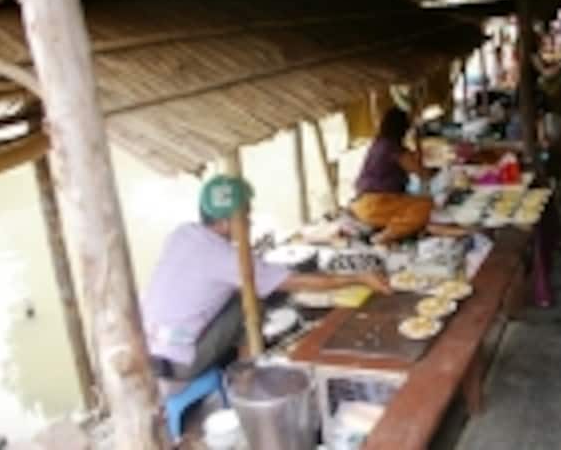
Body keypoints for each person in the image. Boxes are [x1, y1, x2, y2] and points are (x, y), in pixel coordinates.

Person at [142, 175, 390, 390]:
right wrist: (359, 277)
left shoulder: (183, 233)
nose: (250, 222)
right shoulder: (227, 259)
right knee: (249, 301)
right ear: (228, 222)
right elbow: (296, 282)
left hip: (151, 349)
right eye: (246, 215)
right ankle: (247, 379)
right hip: (180, 362)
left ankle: (236, 365)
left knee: (239, 294)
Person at [350, 107, 433, 244]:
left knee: (414, 201)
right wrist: (431, 170)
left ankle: (388, 231)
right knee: (425, 207)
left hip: (365, 202)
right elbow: (422, 173)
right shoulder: (393, 148)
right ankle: (383, 237)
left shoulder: (379, 143)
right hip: (374, 206)